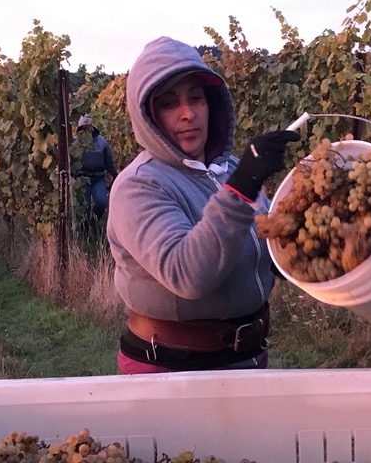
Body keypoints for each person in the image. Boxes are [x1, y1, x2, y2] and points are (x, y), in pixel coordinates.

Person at [106, 36, 300, 374]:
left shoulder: (229, 170)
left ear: (212, 103)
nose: (187, 114)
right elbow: (187, 275)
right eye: (169, 104)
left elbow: (260, 251)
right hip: (171, 369)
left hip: (246, 359)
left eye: (196, 98)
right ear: (148, 116)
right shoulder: (137, 186)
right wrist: (243, 185)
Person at [73, 115, 118, 231]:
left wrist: (114, 174)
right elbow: (72, 163)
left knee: (101, 203)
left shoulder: (102, 143)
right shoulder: (75, 144)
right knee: (84, 206)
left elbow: (108, 160)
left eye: (88, 128)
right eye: (83, 128)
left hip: (98, 178)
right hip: (83, 179)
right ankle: (84, 229)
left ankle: (93, 222)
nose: (87, 131)